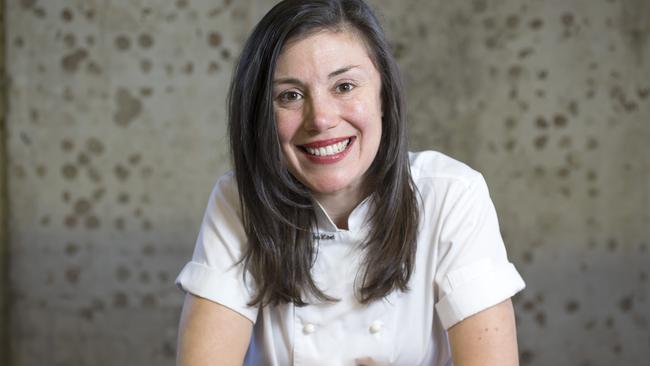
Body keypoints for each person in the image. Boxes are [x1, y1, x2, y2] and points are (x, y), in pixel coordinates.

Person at [175, 0, 525, 365]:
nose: (321, 119)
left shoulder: (451, 194)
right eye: (290, 96)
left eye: (344, 86)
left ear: (384, 96)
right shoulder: (239, 201)